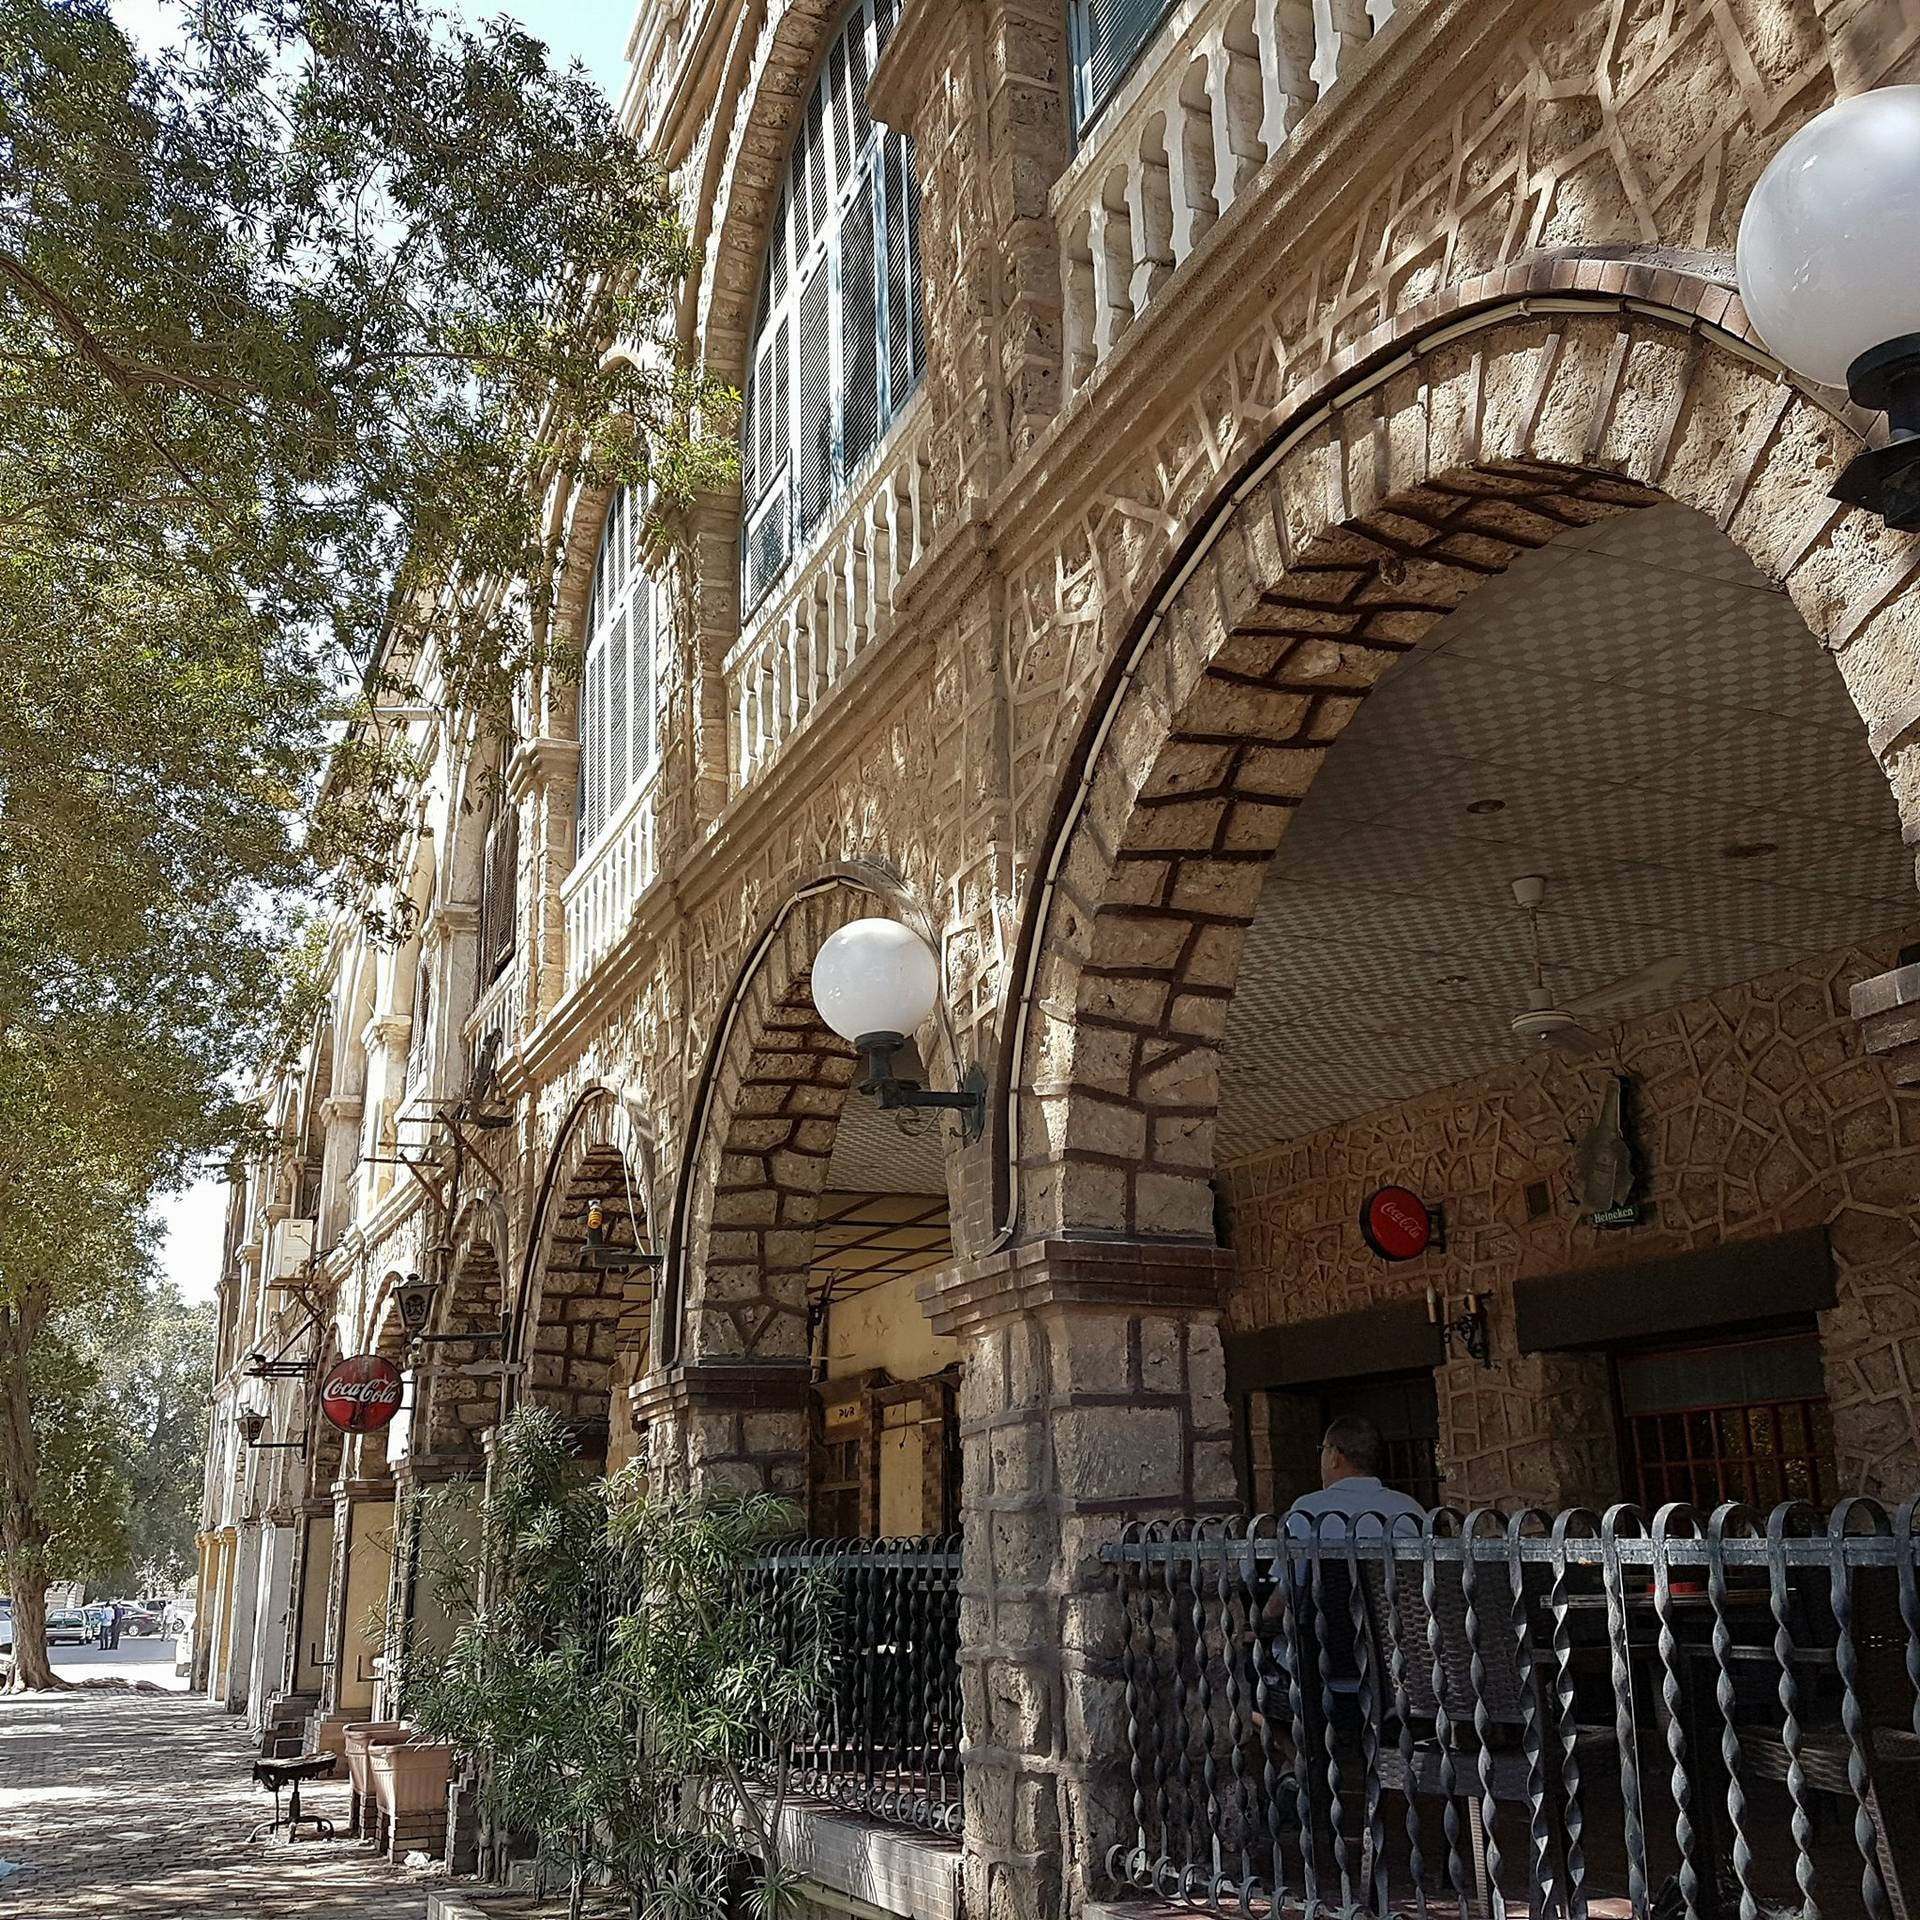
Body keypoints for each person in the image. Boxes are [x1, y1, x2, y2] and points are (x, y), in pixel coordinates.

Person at [1284, 1414, 1429, 1541]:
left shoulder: (1307, 1510)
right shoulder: (1410, 1509)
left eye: (1323, 1449)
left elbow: (1288, 1571)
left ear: (1334, 1456)